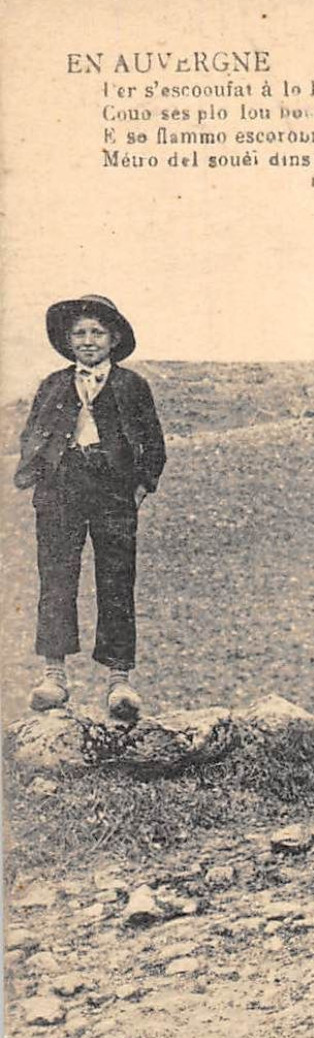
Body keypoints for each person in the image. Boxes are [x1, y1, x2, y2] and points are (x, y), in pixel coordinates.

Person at [16, 295, 165, 721]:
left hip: (113, 492)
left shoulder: (132, 385)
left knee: (116, 580)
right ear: (68, 340)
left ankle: (120, 681)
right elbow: (32, 434)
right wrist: (41, 476)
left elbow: (153, 443)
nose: (87, 341)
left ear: (114, 338)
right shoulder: (53, 384)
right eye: (79, 333)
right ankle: (54, 675)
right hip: (60, 491)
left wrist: (139, 488)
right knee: (57, 577)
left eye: (96, 332)